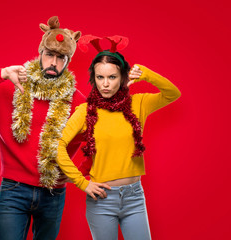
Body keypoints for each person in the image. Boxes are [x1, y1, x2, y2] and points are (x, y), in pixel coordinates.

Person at [0, 16, 84, 240]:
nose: (54, 62)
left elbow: (99, 138)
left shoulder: (77, 103)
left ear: (68, 61)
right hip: (14, 191)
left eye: (61, 57)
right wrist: (2, 74)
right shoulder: (13, 89)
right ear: (40, 54)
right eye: (49, 55)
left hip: (53, 193)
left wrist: (78, 173)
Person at [56, 37, 181, 240]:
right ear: (93, 78)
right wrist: (82, 183)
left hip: (134, 197)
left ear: (122, 77)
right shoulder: (85, 111)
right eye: (100, 77)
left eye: (112, 77)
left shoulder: (138, 103)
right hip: (102, 198)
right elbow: (58, 145)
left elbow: (172, 94)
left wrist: (147, 75)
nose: (105, 84)